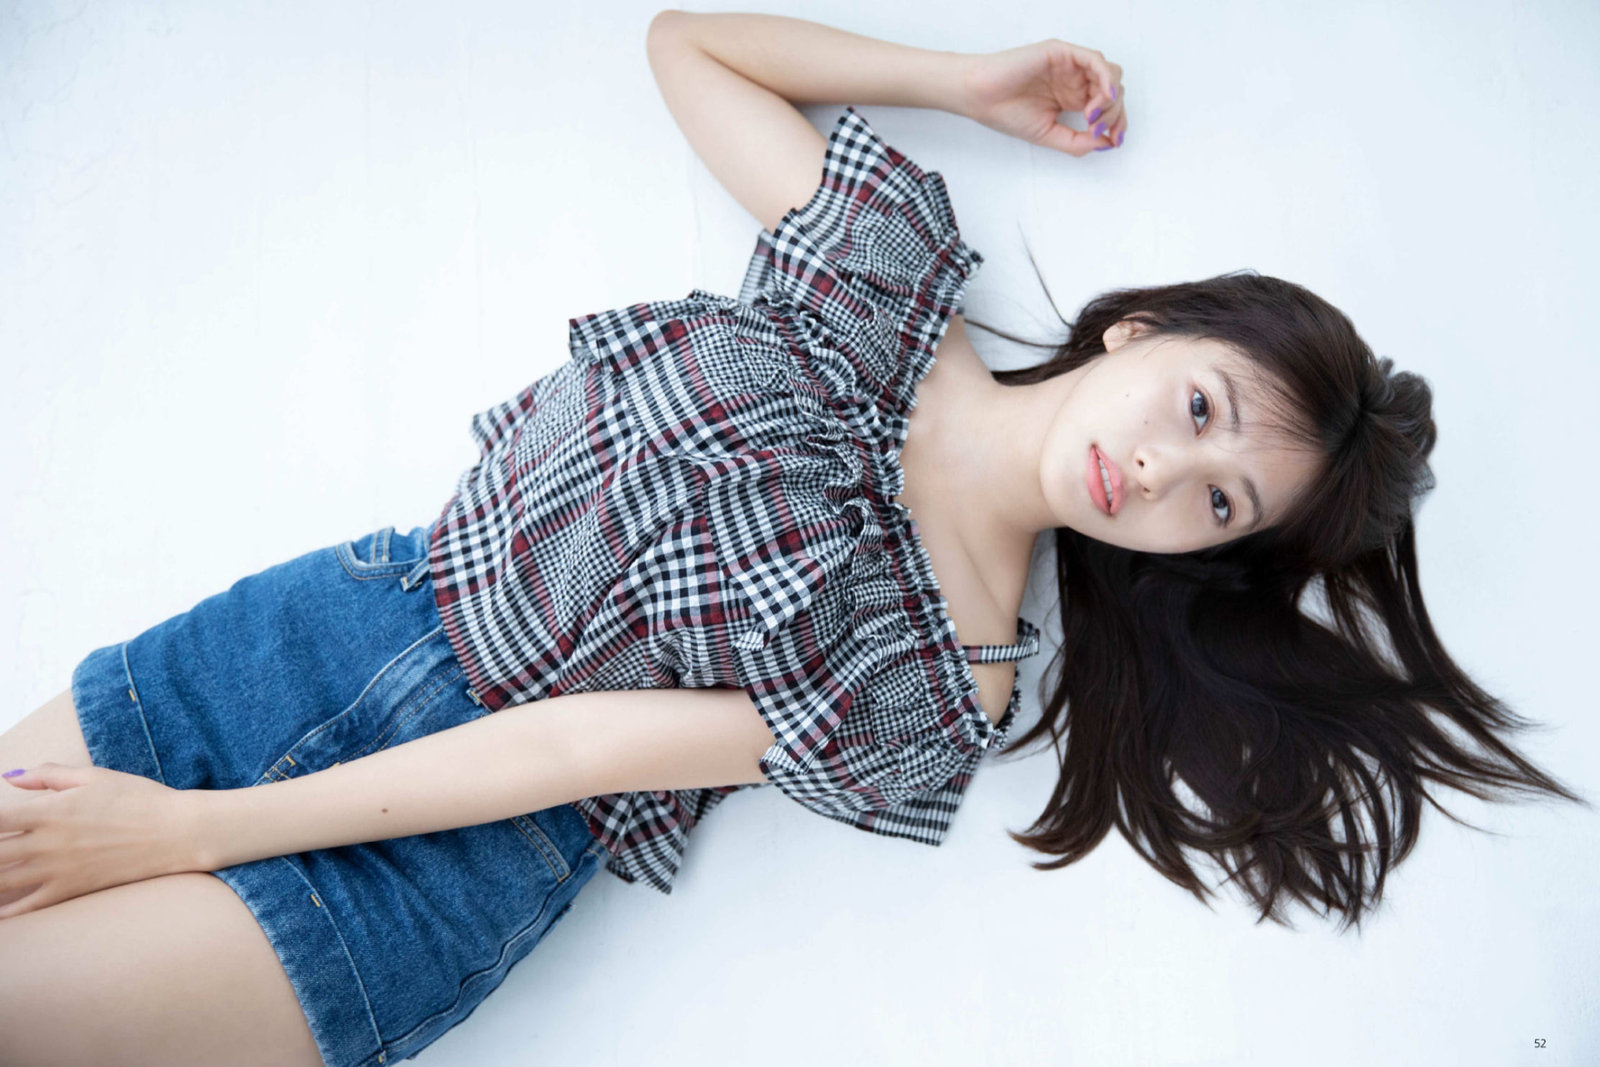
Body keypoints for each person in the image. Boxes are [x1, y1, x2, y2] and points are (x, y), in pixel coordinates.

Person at [0, 10, 1585, 1066]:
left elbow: (571, 751)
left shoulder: (946, 680)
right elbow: (687, 46)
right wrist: (965, 83)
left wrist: (188, 835)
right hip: (323, 627)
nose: (1166, 471)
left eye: (1220, 503)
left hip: (446, 859)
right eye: (1200, 406)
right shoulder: (883, 269)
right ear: (1149, 330)